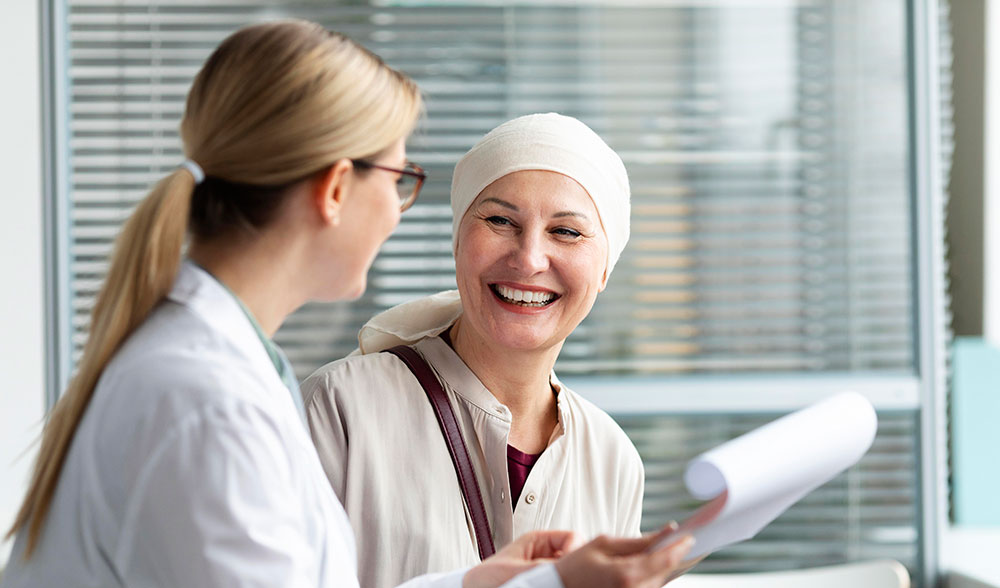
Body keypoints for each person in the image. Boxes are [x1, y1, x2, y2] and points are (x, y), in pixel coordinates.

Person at [0, 20, 694, 588]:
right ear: (335, 189)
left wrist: (498, 584)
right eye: (397, 177)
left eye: (568, 231)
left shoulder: (216, 374)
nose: (397, 211)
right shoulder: (211, 403)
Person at [302, 113, 651, 588]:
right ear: (458, 240)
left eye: (566, 231)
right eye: (500, 220)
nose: (529, 258)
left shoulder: (611, 459)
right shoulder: (341, 408)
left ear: (606, 267)